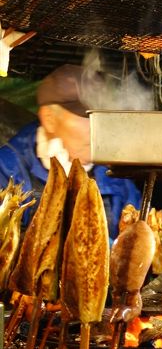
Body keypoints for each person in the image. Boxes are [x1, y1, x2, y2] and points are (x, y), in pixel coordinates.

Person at [0, 64, 141, 239]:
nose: (98, 128)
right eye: (87, 117)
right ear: (49, 119)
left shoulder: (115, 176)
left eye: (102, 117)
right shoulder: (7, 170)